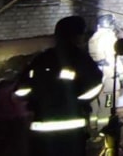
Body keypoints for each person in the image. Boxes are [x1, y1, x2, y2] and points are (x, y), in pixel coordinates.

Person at [14, 16, 103, 156]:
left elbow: (20, 91)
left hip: (40, 130)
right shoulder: (80, 59)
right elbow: (95, 86)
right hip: (71, 131)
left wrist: (37, 99)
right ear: (77, 36)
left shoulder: (41, 59)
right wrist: (75, 101)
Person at [88, 14, 123, 130]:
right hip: (109, 79)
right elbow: (114, 60)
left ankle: (93, 125)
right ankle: (104, 127)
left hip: (95, 78)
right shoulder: (109, 38)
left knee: (95, 103)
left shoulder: (93, 38)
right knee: (108, 103)